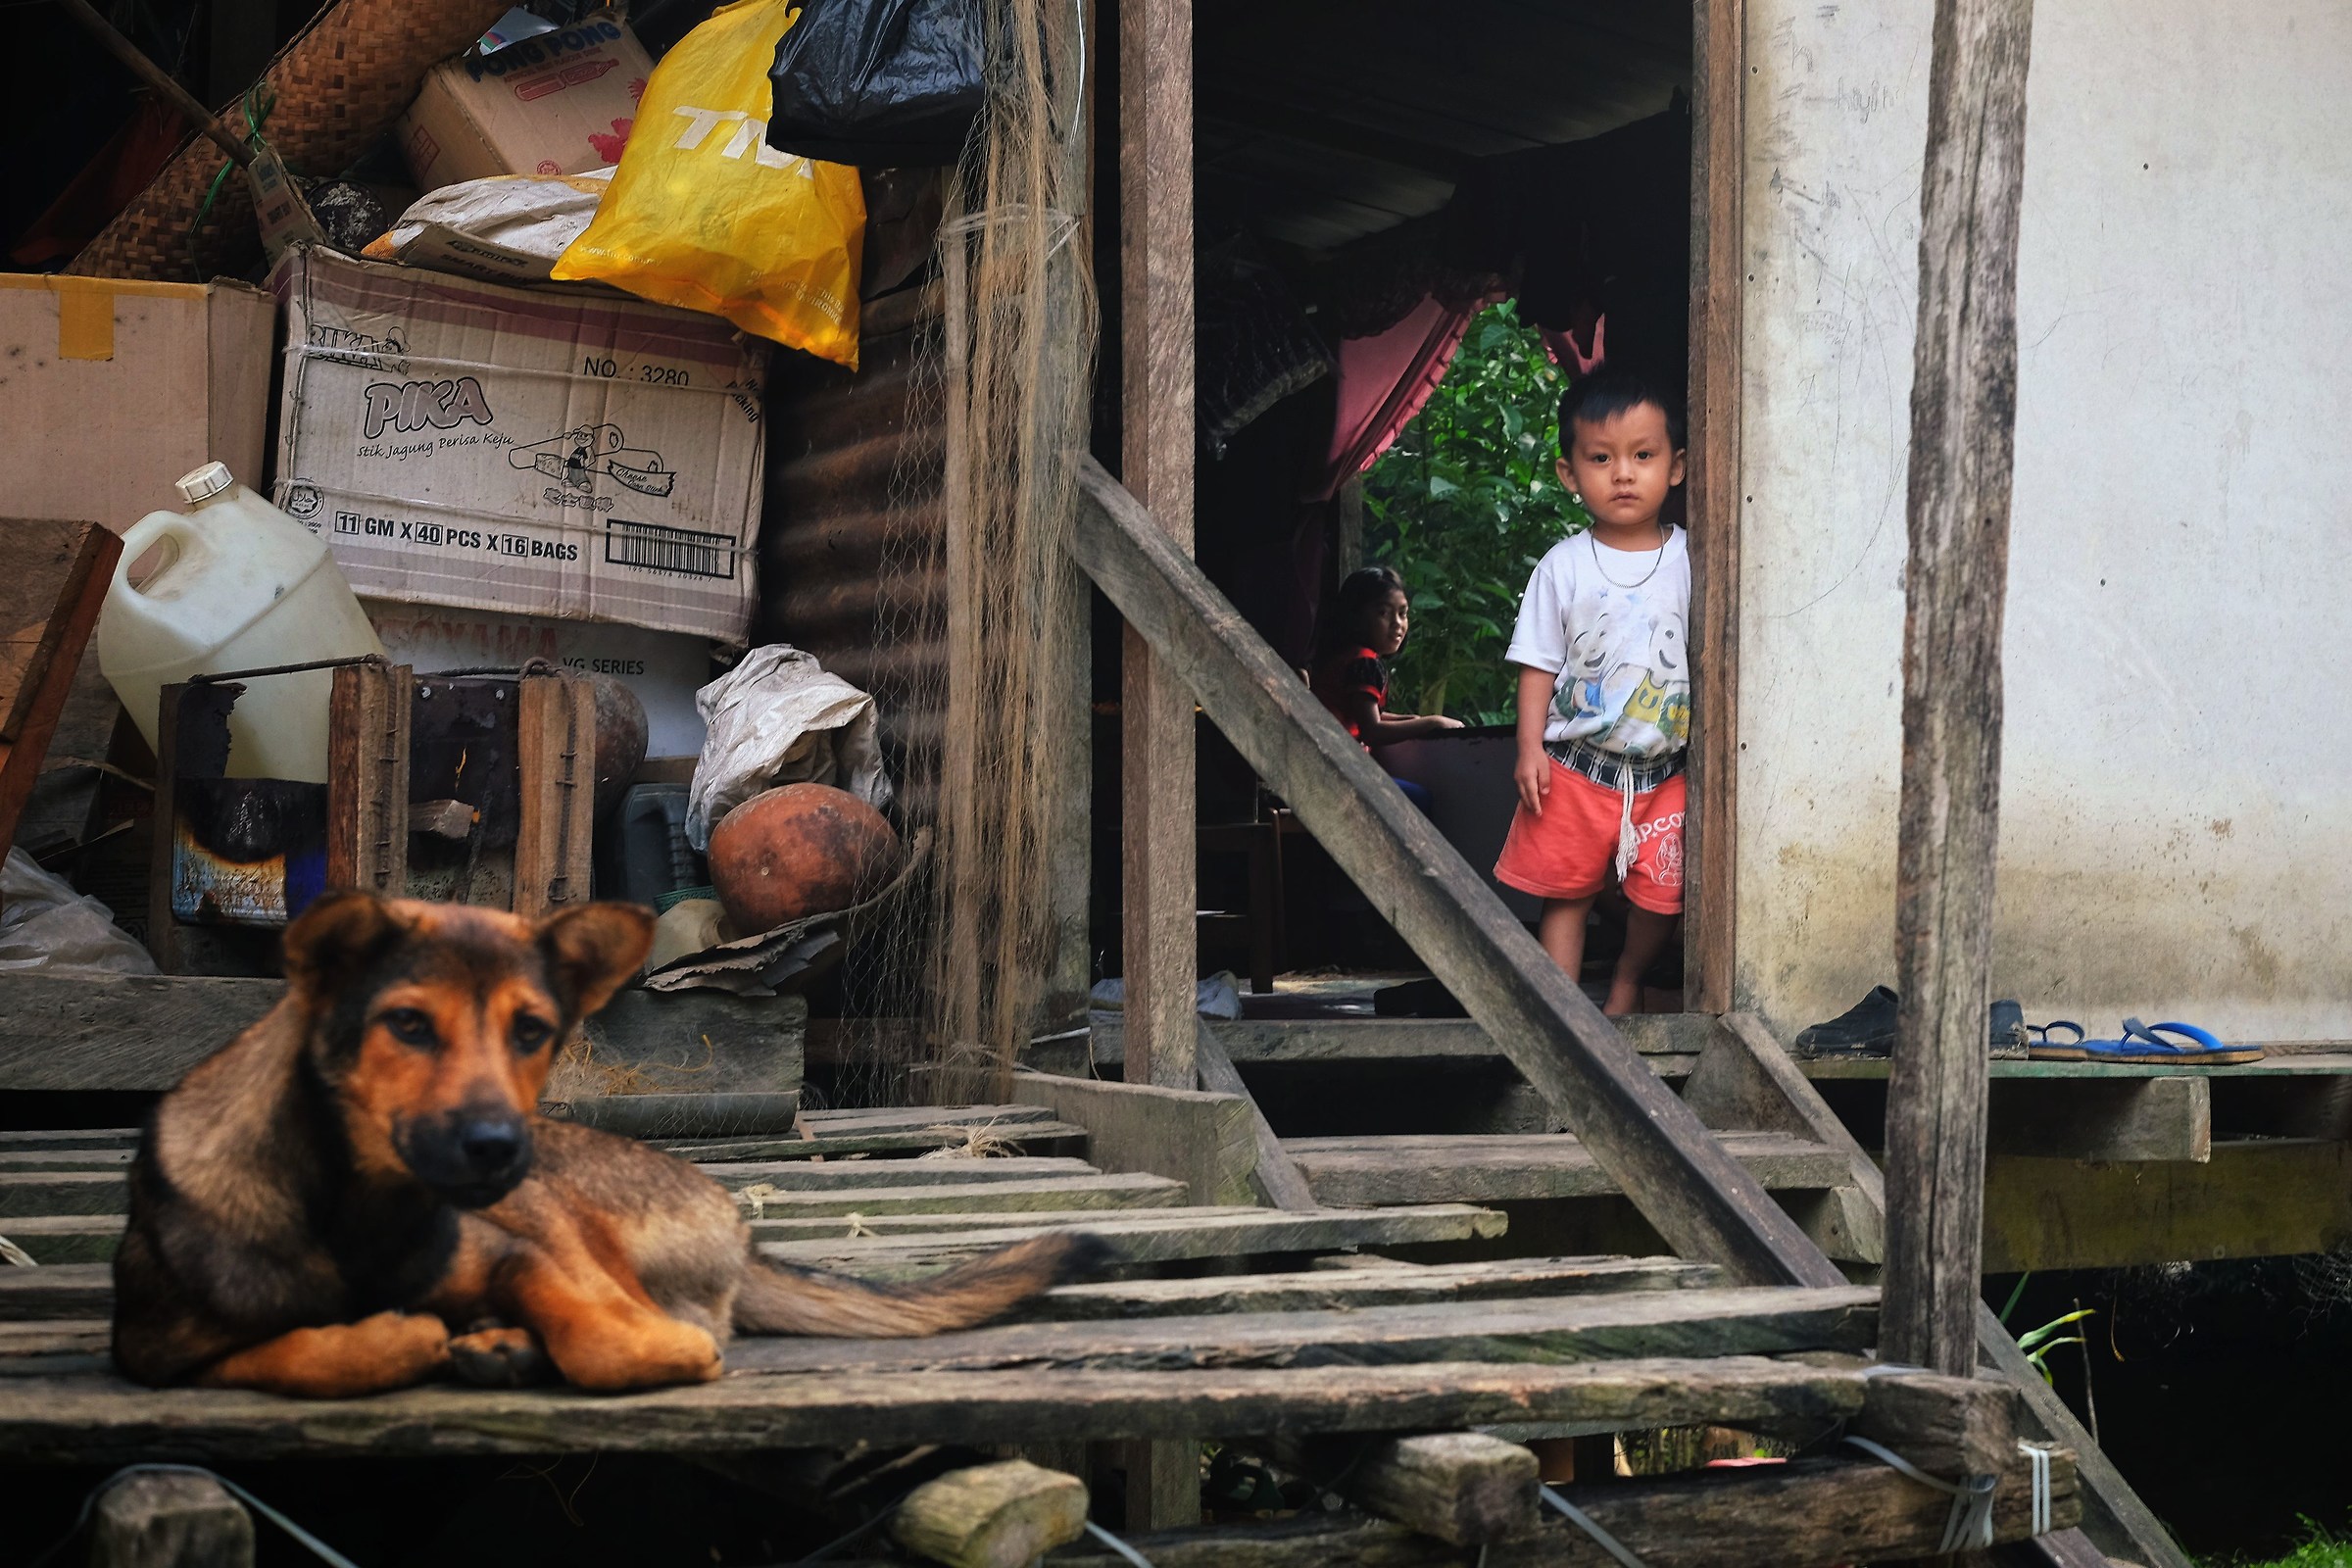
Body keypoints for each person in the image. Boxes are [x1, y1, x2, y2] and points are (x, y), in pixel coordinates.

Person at [1493, 368, 1690, 1014]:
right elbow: (1537, 664)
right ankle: (1565, 1021)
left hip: (1665, 772)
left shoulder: (1696, 561)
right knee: (1568, 894)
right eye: (1601, 458)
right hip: (1576, 769)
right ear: (1569, 473)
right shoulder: (1564, 566)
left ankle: (1628, 982)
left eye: (1643, 456)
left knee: (1663, 895)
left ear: (1676, 467)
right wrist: (1529, 750)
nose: (1623, 474)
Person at [1309, 565, 1462, 808]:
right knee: (1419, 799)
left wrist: (1410, 719)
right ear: (1355, 617)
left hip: (1325, 763)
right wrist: (1433, 723)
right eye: (1383, 613)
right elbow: (1372, 730)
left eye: (1403, 613)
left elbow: (1365, 714)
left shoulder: (1344, 657)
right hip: (1338, 769)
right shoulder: (1364, 663)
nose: (1397, 623)